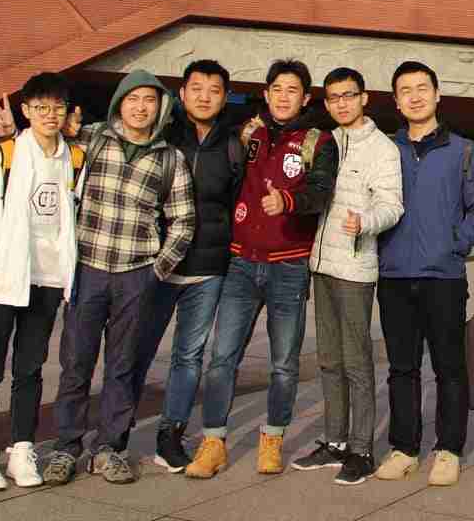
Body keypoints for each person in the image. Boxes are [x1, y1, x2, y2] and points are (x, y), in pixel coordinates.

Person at [20, 69, 196, 486]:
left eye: (149, 100)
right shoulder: (92, 137)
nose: (140, 107)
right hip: (88, 269)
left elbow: (184, 220)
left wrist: (156, 270)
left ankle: (110, 448)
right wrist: (8, 132)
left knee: (122, 366)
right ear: (120, 102)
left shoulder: (170, 158)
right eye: (133, 98)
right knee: (75, 363)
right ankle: (66, 447)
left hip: (136, 274)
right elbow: (43, 152)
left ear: (161, 108)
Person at [186, 59, 337, 479]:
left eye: (293, 90)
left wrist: (287, 202)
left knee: (284, 364)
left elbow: (320, 192)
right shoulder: (247, 134)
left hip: (289, 266)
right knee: (222, 358)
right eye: (277, 89)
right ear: (266, 94)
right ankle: (213, 442)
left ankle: (272, 439)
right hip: (241, 262)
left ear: (305, 98)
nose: (284, 97)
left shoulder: (318, 140)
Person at [373, 61, 474, 487]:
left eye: (422, 87)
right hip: (394, 274)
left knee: (449, 367)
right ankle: (404, 448)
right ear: (396, 101)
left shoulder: (463, 150)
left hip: (443, 276)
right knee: (402, 368)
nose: (415, 96)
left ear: (438, 94)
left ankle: (449, 449)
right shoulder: (386, 149)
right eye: (405, 90)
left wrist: (456, 243)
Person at [0, 72, 80, 492]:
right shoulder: (4, 158)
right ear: (26, 110)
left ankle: (22, 449)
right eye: (41, 107)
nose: (50, 115)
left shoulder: (73, 159)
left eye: (58, 107)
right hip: (4, 280)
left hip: (47, 280)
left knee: (30, 370)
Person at [128, 60, 245, 472]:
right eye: (196, 88)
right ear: (182, 94)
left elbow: (237, 205)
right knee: (136, 350)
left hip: (207, 269)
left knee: (188, 356)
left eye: (214, 90)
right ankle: (115, 431)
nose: (204, 97)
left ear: (225, 97)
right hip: (156, 265)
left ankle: (170, 434)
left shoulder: (234, 146)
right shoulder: (161, 136)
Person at [290, 66, 403, 486]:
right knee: (328, 360)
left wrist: (365, 222)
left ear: (364, 98)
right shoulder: (323, 141)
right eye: (334, 97)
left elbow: (392, 205)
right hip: (321, 265)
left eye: (348, 95)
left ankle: (361, 449)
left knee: (356, 362)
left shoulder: (382, 149)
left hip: (355, 267)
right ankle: (335, 441)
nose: (341, 103)